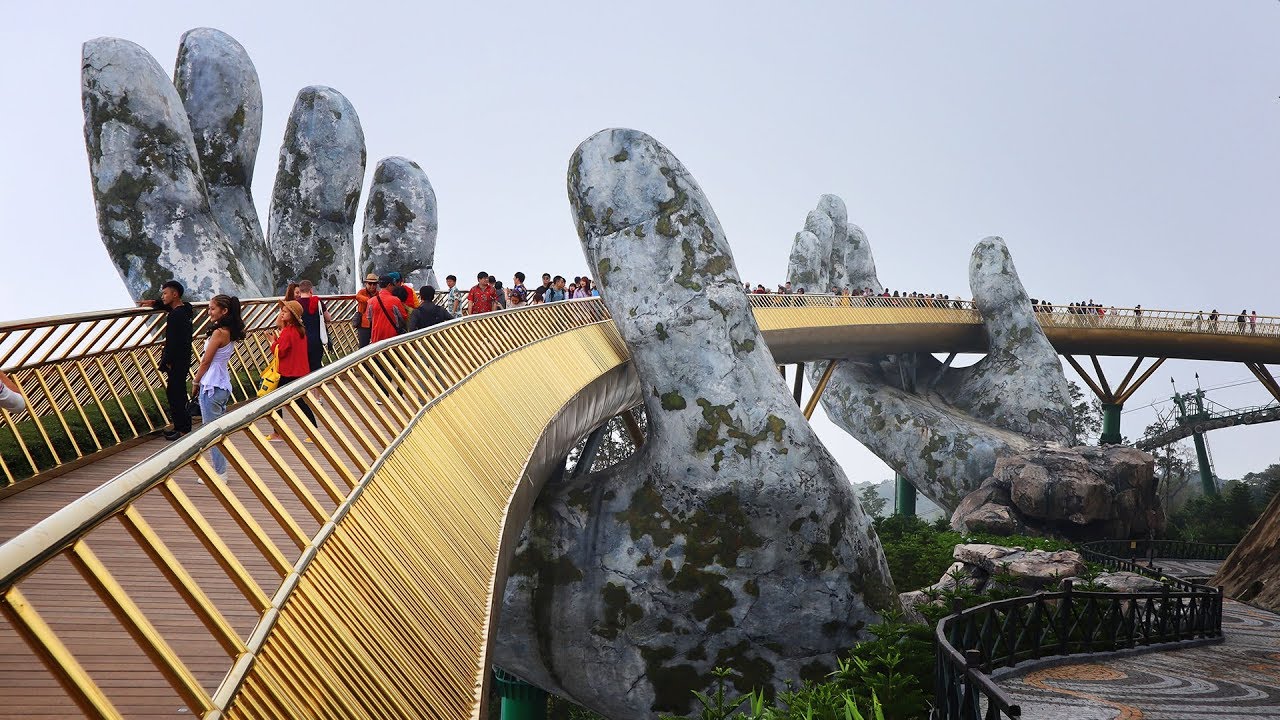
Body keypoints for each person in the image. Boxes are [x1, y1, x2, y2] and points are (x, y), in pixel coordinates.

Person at [191, 294, 244, 479]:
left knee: (211, 432)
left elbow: (206, 361)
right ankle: (220, 469)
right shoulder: (230, 332)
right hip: (222, 385)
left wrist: (195, 382)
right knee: (218, 430)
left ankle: (220, 473)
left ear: (224, 311)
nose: (209, 312)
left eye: (212, 308)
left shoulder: (219, 333)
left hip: (211, 386)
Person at [137, 280, 194, 440]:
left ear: (175, 294)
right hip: (184, 358)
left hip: (176, 360)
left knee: (176, 394)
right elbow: (171, 306)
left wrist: (167, 361)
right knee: (178, 392)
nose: (163, 296)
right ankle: (181, 426)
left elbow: (172, 341)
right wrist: (155, 303)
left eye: (165, 293)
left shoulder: (176, 316)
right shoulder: (186, 310)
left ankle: (182, 429)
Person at [267, 300, 316, 439]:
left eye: (285, 311)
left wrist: (273, 342)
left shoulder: (288, 331)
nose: (282, 314)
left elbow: (281, 352)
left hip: (288, 372)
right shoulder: (300, 330)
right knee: (300, 402)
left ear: (293, 315)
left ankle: (278, 432)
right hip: (299, 371)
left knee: (275, 401)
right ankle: (312, 430)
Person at [295, 280, 331, 372]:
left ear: (300, 290)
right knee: (316, 366)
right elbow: (328, 318)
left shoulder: (296, 304)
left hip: (301, 340)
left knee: (303, 366)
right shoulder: (318, 303)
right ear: (311, 290)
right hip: (316, 340)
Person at [366, 275, 408, 343]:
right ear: (389, 285)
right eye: (393, 285)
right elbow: (403, 317)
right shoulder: (395, 300)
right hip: (392, 338)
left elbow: (369, 318)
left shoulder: (371, 301)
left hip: (376, 338)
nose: (394, 288)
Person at [354, 273, 379, 347]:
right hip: (363, 324)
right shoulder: (362, 292)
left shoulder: (378, 294)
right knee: (363, 345)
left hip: (375, 323)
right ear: (366, 284)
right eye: (370, 283)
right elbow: (358, 297)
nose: (372, 286)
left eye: (374, 284)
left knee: (376, 345)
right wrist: (371, 300)